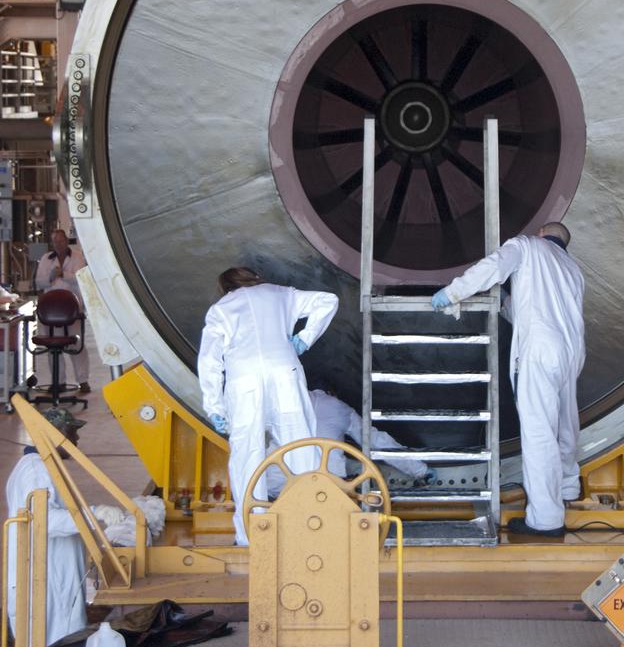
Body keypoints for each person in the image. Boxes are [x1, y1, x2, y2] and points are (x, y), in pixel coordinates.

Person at [432, 222, 585, 539]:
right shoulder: (572, 269)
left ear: (541, 232)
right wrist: (503, 302)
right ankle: (569, 487)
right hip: (572, 351)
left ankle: (546, 519)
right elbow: (536, 307)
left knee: (539, 432)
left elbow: (495, 266)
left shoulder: (527, 246)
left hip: (540, 348)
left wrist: (454, 292)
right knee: (566, 423)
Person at [197, 266, 339, 545]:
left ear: (225, 287)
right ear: (254, 277)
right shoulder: (281, 294)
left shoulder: (221, 309)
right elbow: (328, 300)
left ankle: (251, 535)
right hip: (284, 374)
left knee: (247, 456)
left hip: (244, 382)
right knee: (300, 448)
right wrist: (304, 338)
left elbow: (209, 361)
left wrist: (214, 406)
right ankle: (311, 525)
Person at [5, 407, 88, 647]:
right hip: (45, 585)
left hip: (49, 582)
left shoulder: (40, 467)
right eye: (72, 432)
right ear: (56, 434)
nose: (76, 439)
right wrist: (93, 518)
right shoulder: (36, 470)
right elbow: (45, 519)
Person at [265, 387, 435, 495]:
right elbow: (376, 441)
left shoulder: (278, 405)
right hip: (328, 490)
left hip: (280, 488)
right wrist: (421, 470)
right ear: (332, 392)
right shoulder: (338, 407)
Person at [34, 228, 90, 394]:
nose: (58, 244)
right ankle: (58, 382)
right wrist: (51, 277)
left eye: (61, 240)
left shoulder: (77, 257)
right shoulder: (46, 259)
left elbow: (81, 279)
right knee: (54, 348)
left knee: (76, 345)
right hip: (51, 311)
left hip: (72, 309)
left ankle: (83, 380)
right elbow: (39, 282)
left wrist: (63, 274)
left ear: (66, 241)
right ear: (52, 243)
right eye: (55, 241)